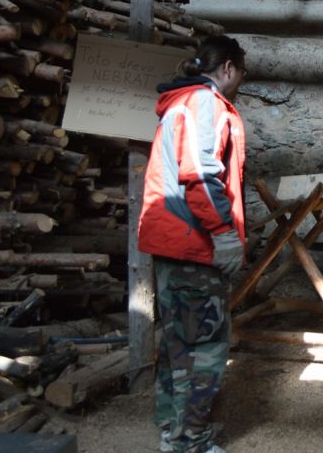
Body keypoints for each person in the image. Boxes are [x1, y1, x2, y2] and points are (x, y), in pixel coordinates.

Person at [137, 35, 248, 453]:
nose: (239, 84)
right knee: (204, 346)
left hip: (172, 243)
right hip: (193, 245)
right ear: (229, 68)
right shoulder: (204, 104)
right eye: (240, 75)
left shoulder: (179, 103)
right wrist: (223, 233)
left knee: (177, 342)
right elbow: (201, 173)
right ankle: (192, 442)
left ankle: (173, 429)